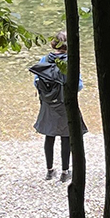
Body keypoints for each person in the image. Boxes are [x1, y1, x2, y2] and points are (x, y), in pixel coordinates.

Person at [30, 32, 78, 182]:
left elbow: (36, 82)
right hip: (65, 103)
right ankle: (65, 172)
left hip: (48, 104)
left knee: (49, 136)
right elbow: (79, 85)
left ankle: (50, 171)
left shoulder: (44, 60)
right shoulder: (70, 61)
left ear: (53, 44)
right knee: (66, 137)